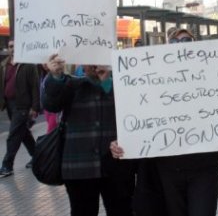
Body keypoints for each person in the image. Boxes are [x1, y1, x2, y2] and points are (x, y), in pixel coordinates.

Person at [111, 28, 218, 216]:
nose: (181, 45)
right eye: (174, 41)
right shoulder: (152, 79)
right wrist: (123, 142)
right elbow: (138, 119)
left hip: (204, 167)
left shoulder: (211, 74)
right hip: (167, 169)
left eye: (186, 40)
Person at [43, 55, 135, 216]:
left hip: (117, 166)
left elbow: (132, 110)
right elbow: (51, 105)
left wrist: (106, 81)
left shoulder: (122, 84)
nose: (93, 64)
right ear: (82, 64)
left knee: (122, 211)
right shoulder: (70, 84)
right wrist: (56, 76)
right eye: (89, 59)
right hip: (79, 168)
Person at [0, 39, 40, 177]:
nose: (13, 49)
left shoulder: (28, 65)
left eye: (15, 46)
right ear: (8, 48)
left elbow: (35, 86)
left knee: (13, 135)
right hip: (9, 105)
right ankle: (38, 157)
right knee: (23, 133)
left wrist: (35, 107)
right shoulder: (4, 65)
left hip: (23, 105)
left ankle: (7, 165)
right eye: (10, 46)